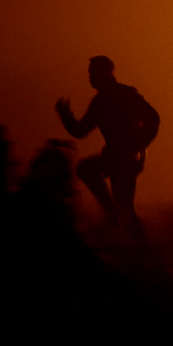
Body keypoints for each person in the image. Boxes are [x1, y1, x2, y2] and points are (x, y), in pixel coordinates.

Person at [56, 56, 159, 245]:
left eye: (92, 73)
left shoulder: (126, 95)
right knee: (86, 169)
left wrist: (138, 145)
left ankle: (142, 249)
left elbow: (153, 118)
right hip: (114, 156)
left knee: (125, 208)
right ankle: (113, 217)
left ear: (103, 74)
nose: (90, 78)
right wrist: (66, 116)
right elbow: (81, 130)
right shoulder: (100, 101)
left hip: (127, 158)